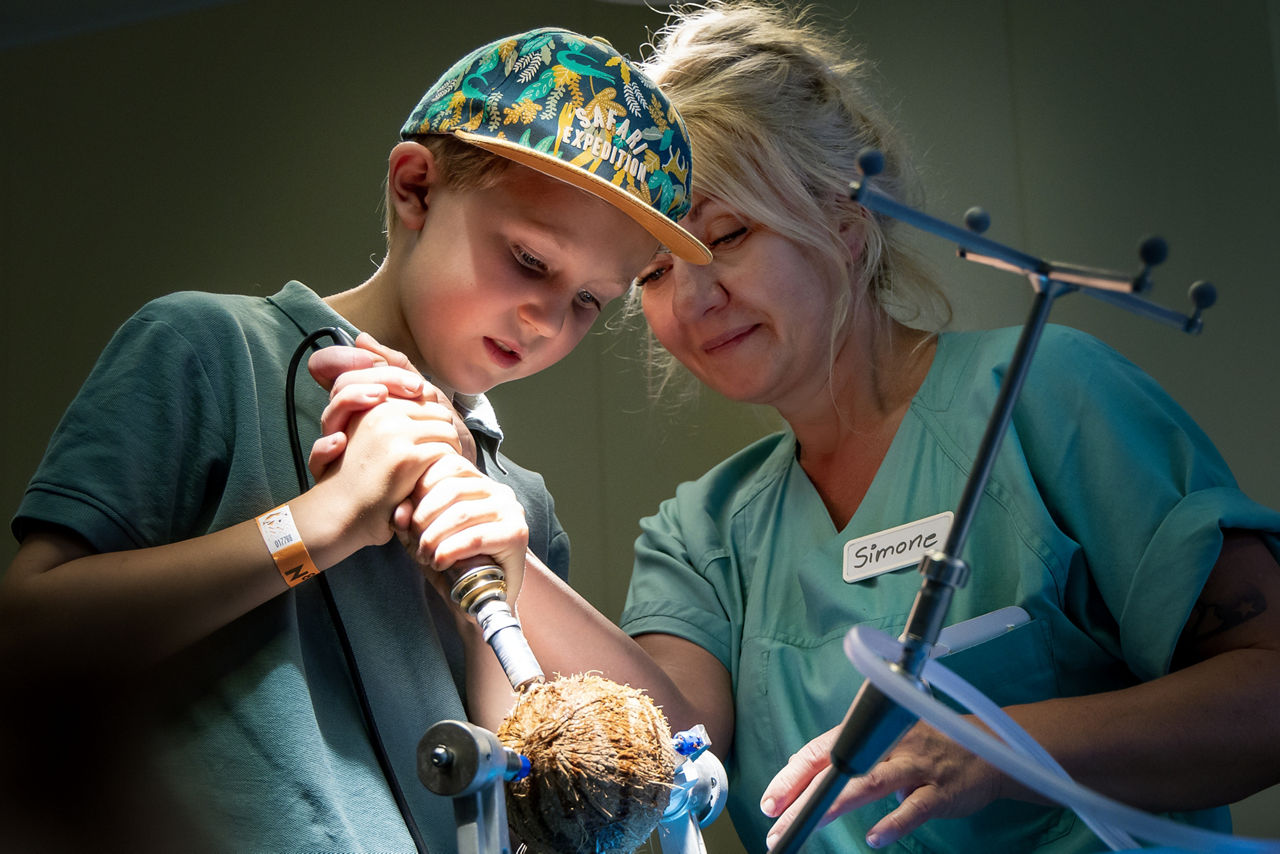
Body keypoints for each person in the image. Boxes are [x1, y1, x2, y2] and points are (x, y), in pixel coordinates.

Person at [308, 3, 1280, 853]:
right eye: (648, 274)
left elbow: (1263, 688)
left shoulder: (1044, 396)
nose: (691, 297)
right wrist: (491, 532)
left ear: (844, 219)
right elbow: (672, 740)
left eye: (725, 235)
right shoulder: (706, 530)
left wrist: (1005, 746)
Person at [0, 26, 710, 853]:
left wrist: (497, 598)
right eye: (527, 259)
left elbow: (557, 809)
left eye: (591, 300)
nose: (549, 321)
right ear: (414, 188)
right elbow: (28, 643)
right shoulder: (212, 351)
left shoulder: (518, 507)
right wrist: (322, 523)